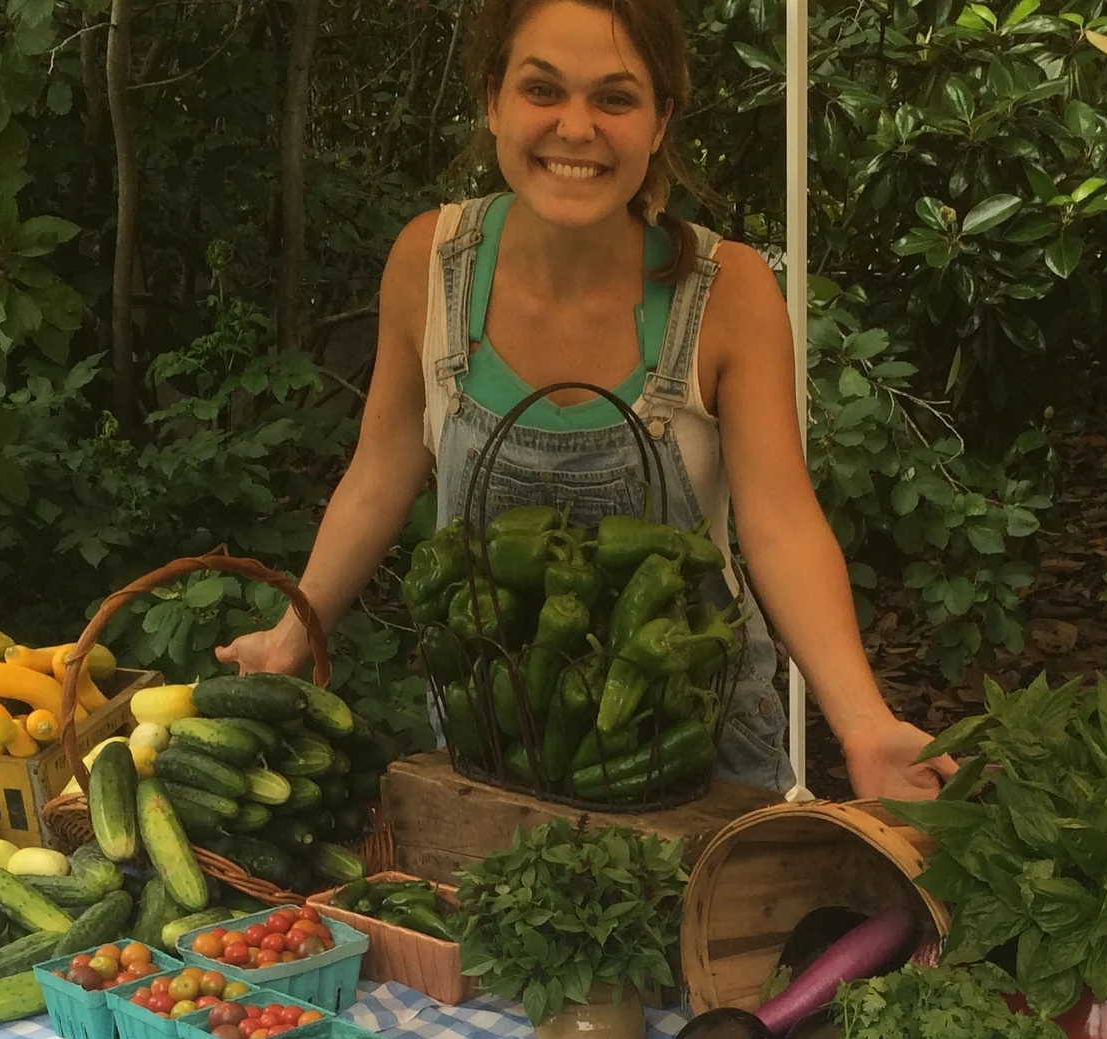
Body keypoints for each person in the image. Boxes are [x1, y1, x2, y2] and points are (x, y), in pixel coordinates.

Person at [216, 0, 947, 802]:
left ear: (661, 119)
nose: (575, 127)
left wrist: (864, 723)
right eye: (543, 90)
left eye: (615, 98)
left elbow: (779, 522)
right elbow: (383, 466)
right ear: (493, 98)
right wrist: (295, 632)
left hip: (693, 754)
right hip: (494, 741)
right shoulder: (431, 263)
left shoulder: (727, 292)